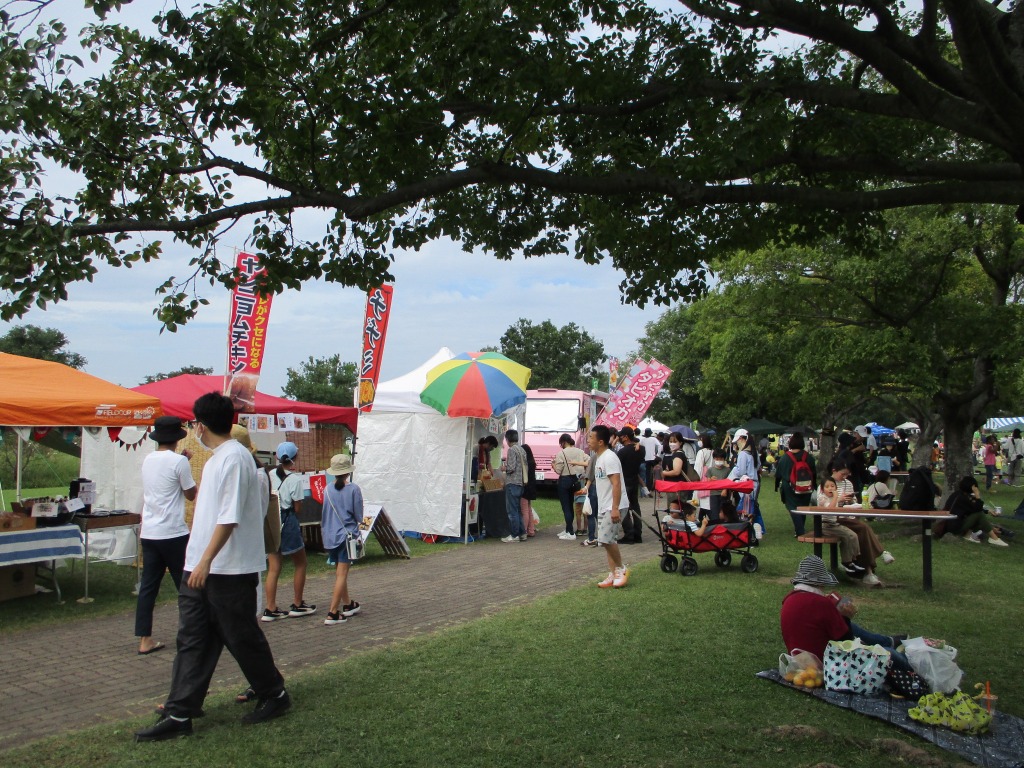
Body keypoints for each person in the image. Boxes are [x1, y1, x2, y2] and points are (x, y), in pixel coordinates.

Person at [135, 393, 289, 742]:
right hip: (201, 564)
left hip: (227, 568)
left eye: (193, 423)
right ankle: (180, 710)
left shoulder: (234, 459)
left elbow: (228, 517)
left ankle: (274, 693)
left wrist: (206, 560)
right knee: (192, 637)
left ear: (200, 426)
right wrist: (198, 561)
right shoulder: (218, 459)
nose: (193, 429)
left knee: (240, 636)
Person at [135, 416, 197, 656]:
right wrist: (185, 464)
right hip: (173, 532)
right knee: (185, 585)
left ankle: (144, 638)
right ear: (177, 438)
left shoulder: (148, 459)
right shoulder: (179, 462)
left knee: (148, 587)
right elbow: (190, 493)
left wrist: (182, 461)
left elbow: (164, 478)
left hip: (150, 531)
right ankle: (192, 632)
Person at [781, 556, 908, 669]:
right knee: (888, 654)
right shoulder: (821, 603)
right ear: (819, 582)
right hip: (826, 664)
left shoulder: (788, 600)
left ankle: (887, 641)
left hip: (799, 660)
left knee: (845, 624)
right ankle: (910, 664)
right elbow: (846, 642)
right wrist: (846, 617)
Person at [262, 441, 315, 620]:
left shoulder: (268, 475)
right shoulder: (295, 480)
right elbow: (297, 508)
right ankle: (298, 603)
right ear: (295, 458)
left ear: (277, 457)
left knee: (274, 567)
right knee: (300, 563)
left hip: (272, 521)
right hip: (288, 521)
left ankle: (270, 607)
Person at [321, 453, 365, 624]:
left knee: (339, 572)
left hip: (330, 535)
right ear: (348, 472)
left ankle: (347, 604)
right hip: (347, 535)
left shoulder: (327, 489)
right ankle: (332, 612)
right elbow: (358, 515)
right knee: (342, 574)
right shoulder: (353, 489)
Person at [830, 461, 886, 585]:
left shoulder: (848, 483)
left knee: (862, 533)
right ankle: (879, 557)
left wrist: (851, 500)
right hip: (835, 519)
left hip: (849, 517)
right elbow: (824, 504)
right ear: (834, 471)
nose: (844, 477)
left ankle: (868, 572)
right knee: (864, 528)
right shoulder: (828, 484)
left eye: (847, 474)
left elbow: (854, 502)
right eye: (842, 474)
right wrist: (839, 499)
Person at [590, 425, 630, 587]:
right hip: (604, 506)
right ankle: (613, 574)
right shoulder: (599, 457)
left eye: (591, 438)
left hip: (614, 506)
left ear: (600, 442)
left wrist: (615, 508)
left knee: (605, 539)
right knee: (608, 541)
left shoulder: (609, 457)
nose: (588, 441)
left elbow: (616, 483)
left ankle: (621, 569)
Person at [816, 476, 865, 576]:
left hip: (835, 524)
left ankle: (853, 560)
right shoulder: (822, 498)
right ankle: (849, 562)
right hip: (825, 525)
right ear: (822, 489)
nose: (830, 488)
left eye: (832, 486)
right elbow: (830, 509)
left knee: (852, 536)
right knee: (849, 535)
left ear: (836, 487)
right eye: (827, 487)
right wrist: (836, 497)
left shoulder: (834, 498)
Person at [943, 476, 1009, 547]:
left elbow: (972, 508)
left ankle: (968, 535)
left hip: (953, 524)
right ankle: (994, 538)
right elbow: (977, 509)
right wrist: (977, 495)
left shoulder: (958, 494)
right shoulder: (962, 498)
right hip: (955, 527)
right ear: (972, 487)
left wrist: (987, 511)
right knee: (979, 514)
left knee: (979, 517)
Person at [774, 432, 817, 537]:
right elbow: (813, 473)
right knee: (803, 507)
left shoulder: (785, 458)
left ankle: (800, 531)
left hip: (789, 487)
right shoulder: (808, 457)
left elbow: (778, 474)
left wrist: (776, 485)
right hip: (806, 486)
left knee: (793, 507)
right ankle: (800, 528)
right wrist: (814, 485)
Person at [728, 428, 763, 537]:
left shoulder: (743, 454)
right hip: (754, 483)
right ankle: (756, 530)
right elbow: (758, 466)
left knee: (745, 511)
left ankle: (748, 534)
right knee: (752, 508)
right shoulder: (754, 452)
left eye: (738, 440)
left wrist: (733, 470)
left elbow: (740, 471)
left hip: (746, 485)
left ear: (742, 439)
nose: (737, 443)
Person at [552, 433, 587, 540]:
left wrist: (553, 465)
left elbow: (559, 470)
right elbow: (589, 461)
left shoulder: (561, 453)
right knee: (571, 505)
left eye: (561, 443)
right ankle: (568, 529)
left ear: (563, 442)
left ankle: (570, 532)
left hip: (565, 481)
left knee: (566, 507)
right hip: (576, 481)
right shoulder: (580, 451)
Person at [615, 427, 645, 544]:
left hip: (624, 482)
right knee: (635, 506)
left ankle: (629, 534)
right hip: (634, 480)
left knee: (624, 508)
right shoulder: (641, 450)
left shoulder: (622, 452)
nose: (619, 438)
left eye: (621, 436)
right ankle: (638, 533)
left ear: (626, 437)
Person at [502, 429, 528, 542]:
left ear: (508, 439)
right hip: (521, 483)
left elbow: (511, 468)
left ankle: (514, 535)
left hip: (512, 482)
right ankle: (522, 533)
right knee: (517, 510)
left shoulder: (512, 450)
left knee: (512, 511)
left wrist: (504, 468)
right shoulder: (522, 449)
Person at [693, 433, 715, 525]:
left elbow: (698, 468)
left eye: (700, 440)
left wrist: (695, 479)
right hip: (711, 478)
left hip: (702, 478)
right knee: (707, 502)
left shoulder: (701, 452)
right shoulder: (713, 451)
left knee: (701, 502)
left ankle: (703, 521)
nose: (699, 442)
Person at [520, 442, 539, 538]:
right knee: (529, 509)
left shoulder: (525, 464)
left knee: (524, 510)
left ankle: (524, 531)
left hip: (525, 488)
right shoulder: (532, 462)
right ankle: (531, 530)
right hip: (531, 487)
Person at [640, 427, 662, 494]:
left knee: (647, 475)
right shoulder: (653, 439)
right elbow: (660, 446)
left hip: (646, 459)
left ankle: (648, 489)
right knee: (656, 474)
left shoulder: (643, 440)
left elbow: (640, 447)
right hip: (653, 458)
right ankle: (657, 488)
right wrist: (658, 455)